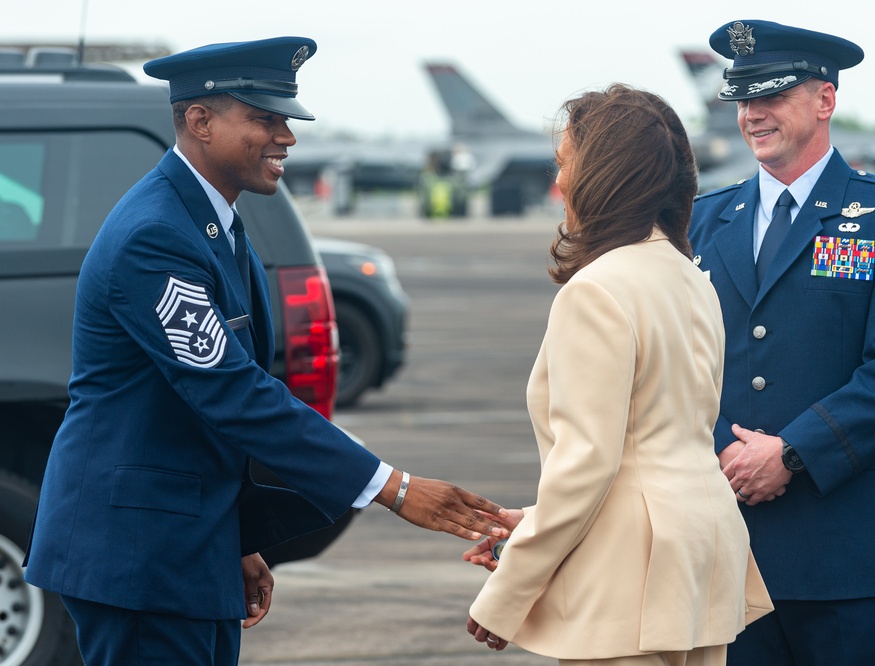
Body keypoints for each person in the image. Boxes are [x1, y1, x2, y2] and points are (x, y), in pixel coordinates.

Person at [22, 37, 508, 666]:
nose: (287, 136)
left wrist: (230, 536)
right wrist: (395, 488)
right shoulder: (155, 237)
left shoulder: (209, 220)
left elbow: (213, 398)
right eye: (264, 118)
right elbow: (231, 392)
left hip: (184, 539)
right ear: (199, 120)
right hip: (140, 552)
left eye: (286, 119)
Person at [462, 84, 772, 666]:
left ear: (601, 174)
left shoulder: (598, 289)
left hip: (630, 578)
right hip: (700, 554)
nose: (560, 185)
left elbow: (590, 463)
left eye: (565, 164)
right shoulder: (689, 277)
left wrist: (509, 588)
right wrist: (532, 526)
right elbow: (652, 447)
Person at [688, 20, 875, 665]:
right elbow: (680, 362)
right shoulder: (702, 219)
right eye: (744, 98)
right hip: (731, 544)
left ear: (824, 100)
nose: (754, 114)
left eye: (772, 95)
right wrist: (728, 449)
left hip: (852, 552)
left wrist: (793, 453)